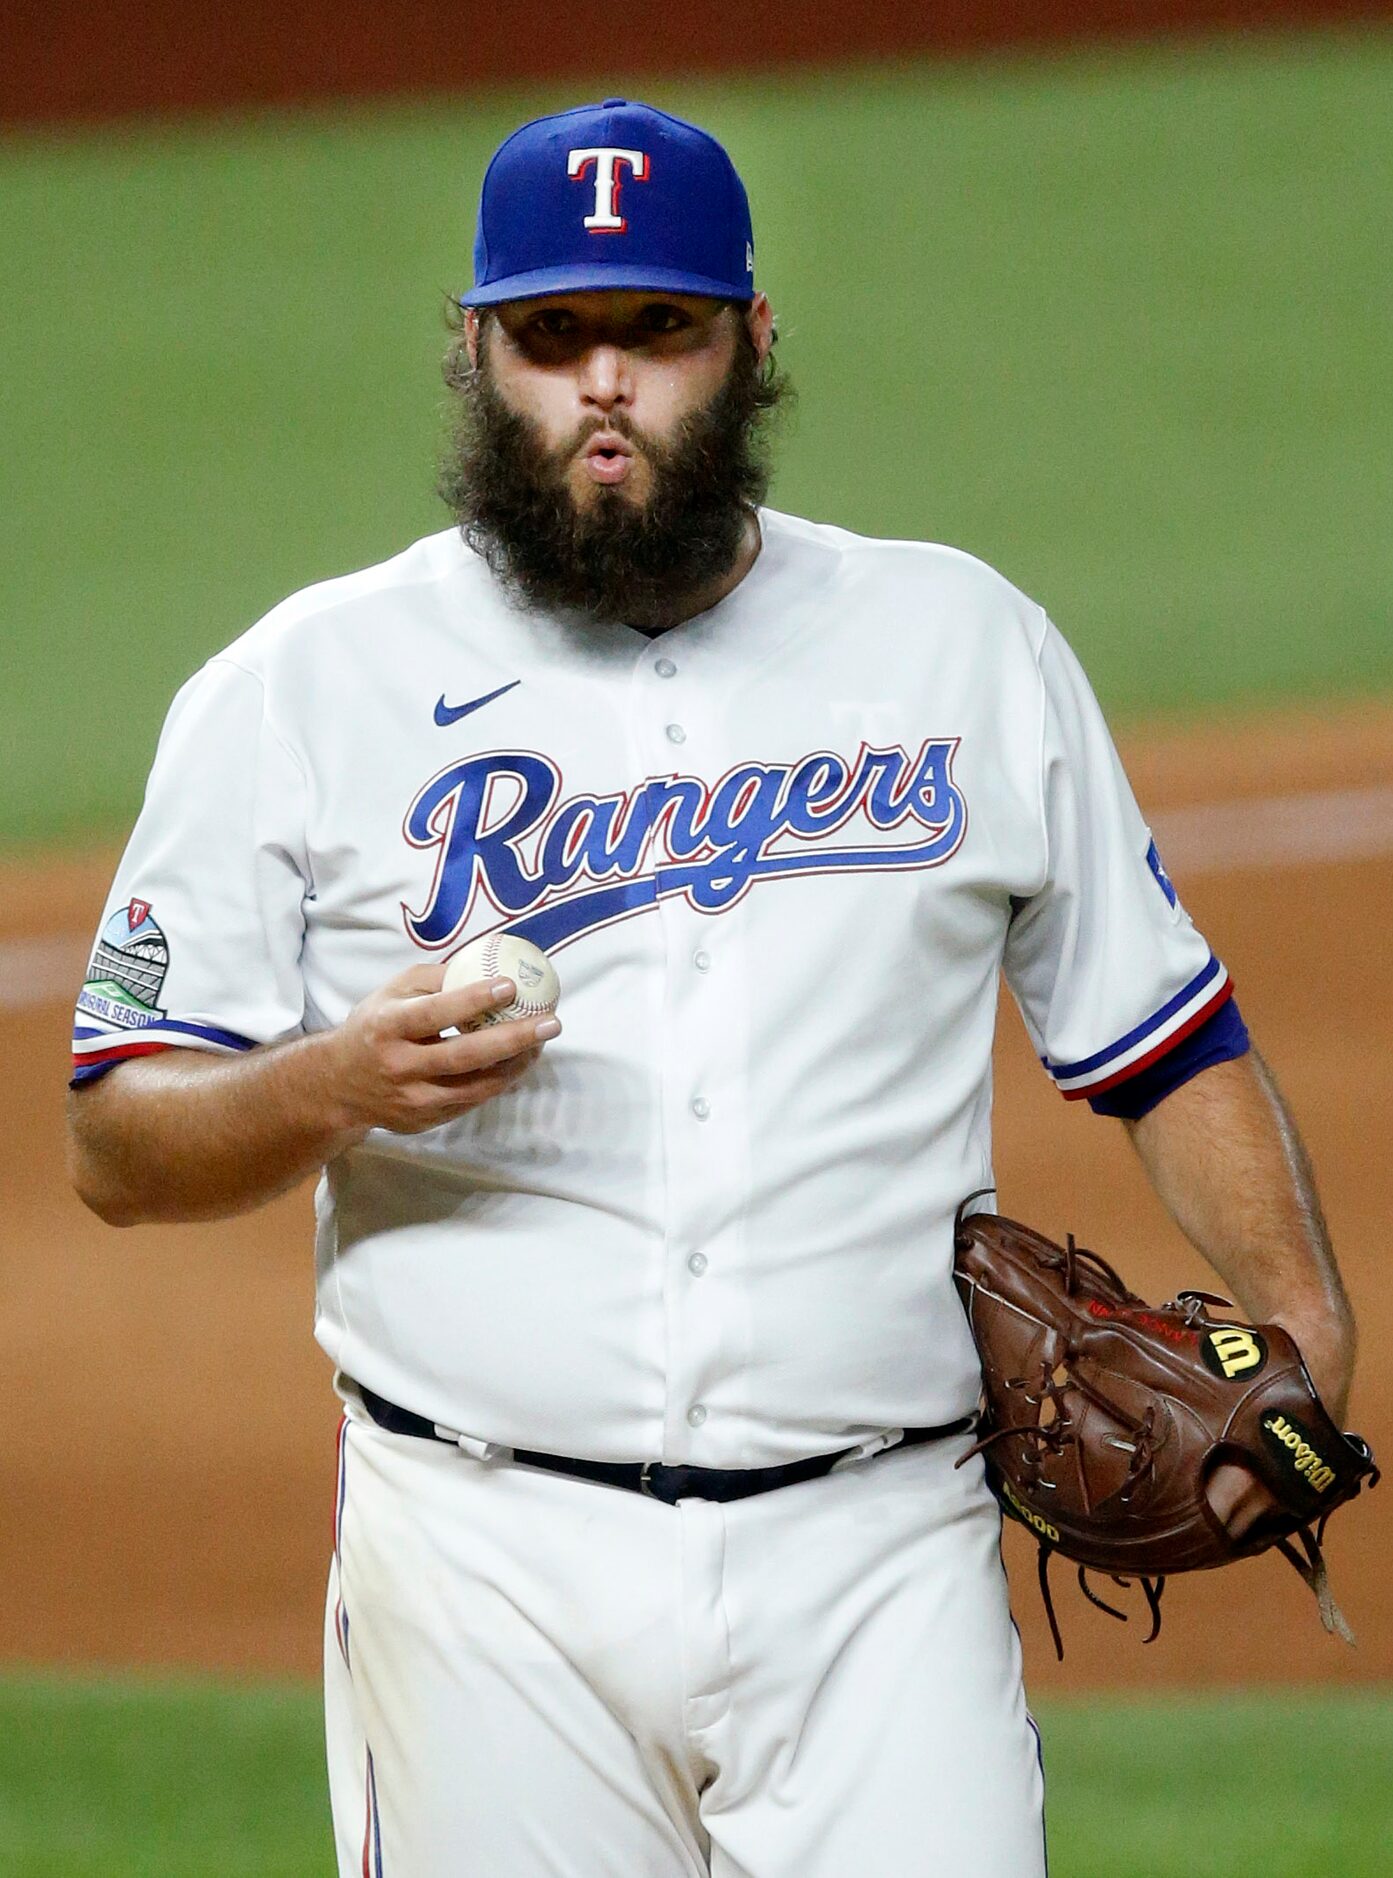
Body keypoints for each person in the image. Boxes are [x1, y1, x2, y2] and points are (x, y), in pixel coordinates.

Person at [67, 99, 1355, 1876]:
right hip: (481, 1575)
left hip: (883, 1563)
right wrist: (330, 1085)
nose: (602, 384)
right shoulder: (299, 688)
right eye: (551, 335)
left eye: (657, 330)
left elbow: (1159, 1037)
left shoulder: (960, 645)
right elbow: (120, 1143)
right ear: (471, 351)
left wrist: (1307, 1319)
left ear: (752, 342)